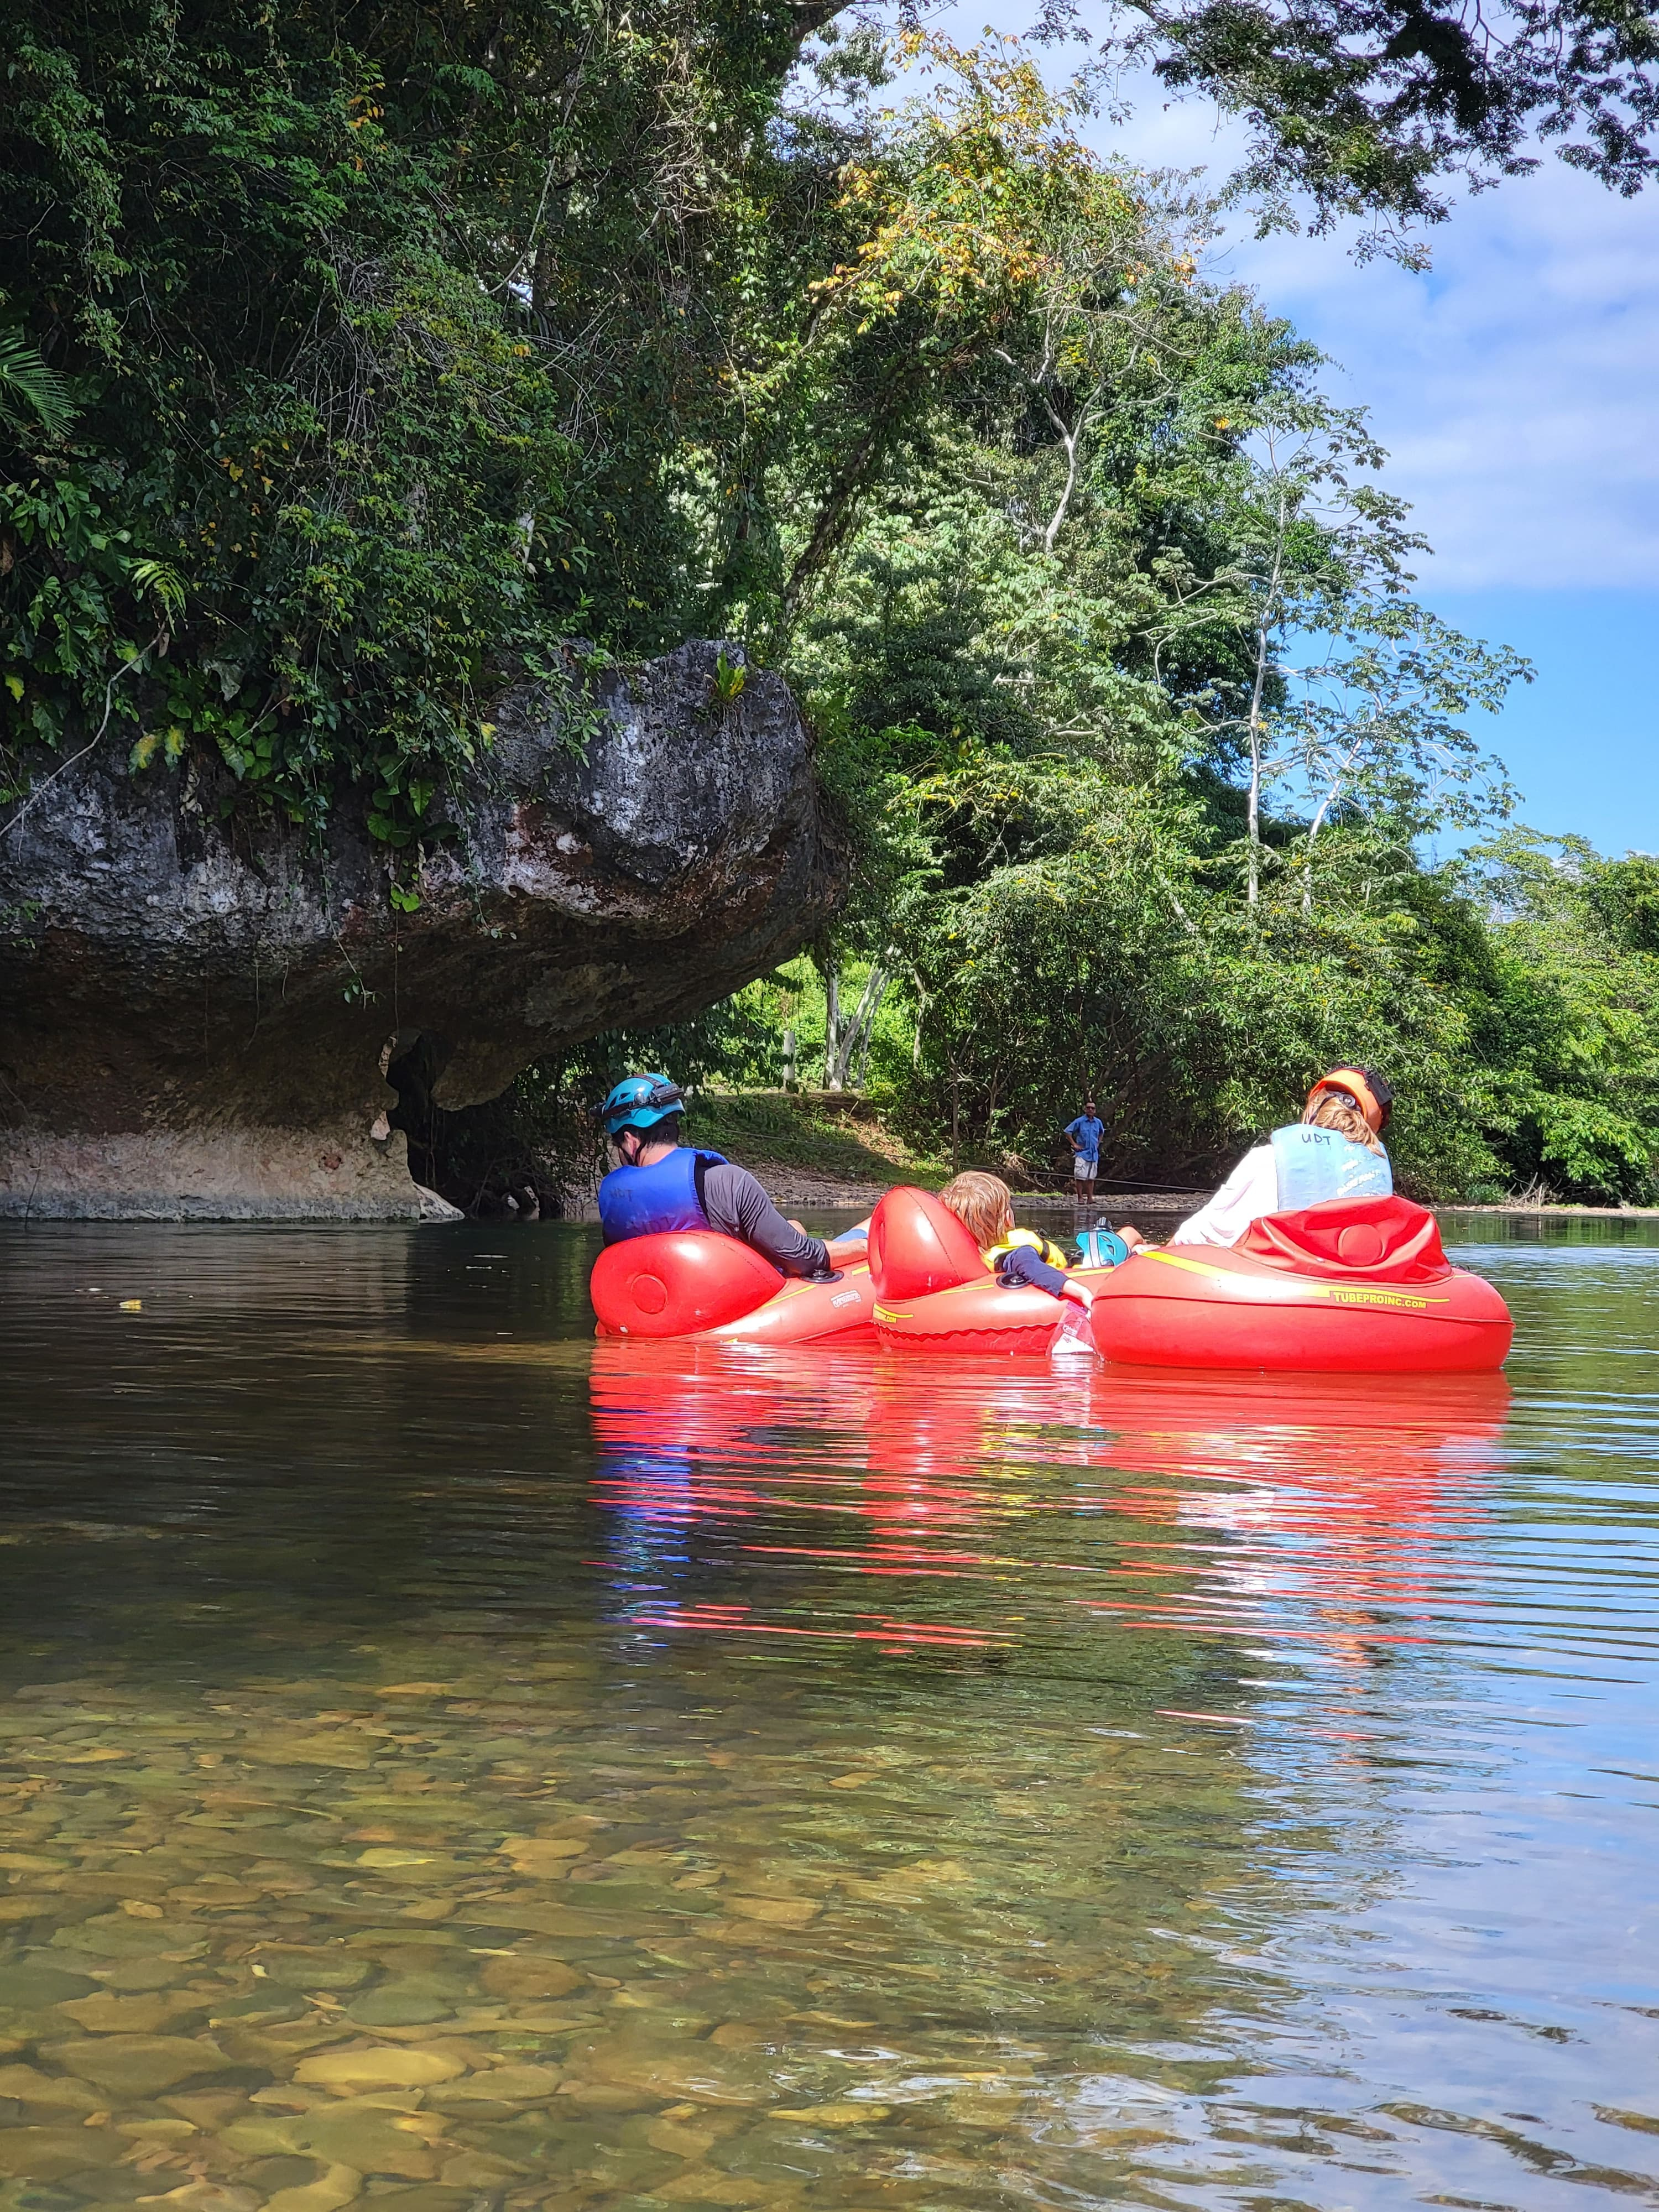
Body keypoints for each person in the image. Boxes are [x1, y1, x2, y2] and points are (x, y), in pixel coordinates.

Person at [596, 1074, 869, 1276]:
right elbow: (801, 1258)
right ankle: (868, 1237)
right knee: (800, 1231)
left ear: (630, 1141)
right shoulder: (728, 1183)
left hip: (662, 1313)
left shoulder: (613, 1199)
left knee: (794, 1226)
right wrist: (865, 1248)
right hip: (733, 1308)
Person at [1170, 1066, 1394, 1248]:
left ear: (1313, 1109)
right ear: (1370, 1127)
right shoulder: (1375, 1169)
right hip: (1349, 1282)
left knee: (1146, 1243)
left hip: (1284, 1277)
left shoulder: (1269, 1158)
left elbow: (1203, 1233)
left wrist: (1159, 1254)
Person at [938, 1170, 1098, 1314]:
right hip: (1078, 1269)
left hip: (1072, 1261)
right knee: (1114, 1238)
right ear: (1007, 1218)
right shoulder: (1017, 1255)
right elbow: (1034, 1269)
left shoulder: (985, 1254)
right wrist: (1081, 1292)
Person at [1064, 1098, 1105, 1202]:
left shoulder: (1098, 1122)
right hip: (1082, 1153)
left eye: (1092, 1108)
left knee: (1091, 1177)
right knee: (1080, 1176)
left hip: (1093, 1154)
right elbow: (1067, 1132)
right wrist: (1074, 1144)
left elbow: (1102, 1132)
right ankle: (1080, 1197)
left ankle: (1090, 1198)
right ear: (1085, 1109)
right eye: (1088, 1108)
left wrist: (1098, 1143)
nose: (1090, 1110)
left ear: (1095, 1110)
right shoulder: (1080, 1121)